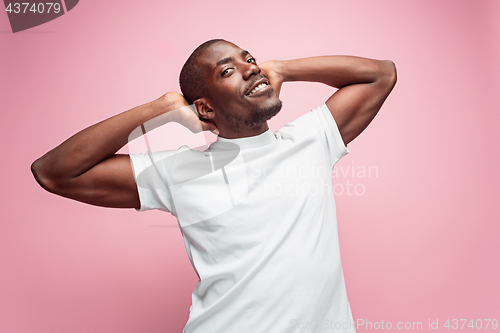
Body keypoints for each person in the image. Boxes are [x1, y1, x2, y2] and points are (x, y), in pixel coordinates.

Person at [31, 39, 396, 332]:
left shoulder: (310, 141)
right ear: (205, 109)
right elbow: (54, 172)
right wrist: (162, 108)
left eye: (248, 58)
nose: (250, 67)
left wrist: (283, 68)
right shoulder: (179, 171)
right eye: (228, 71)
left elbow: (381, 74)